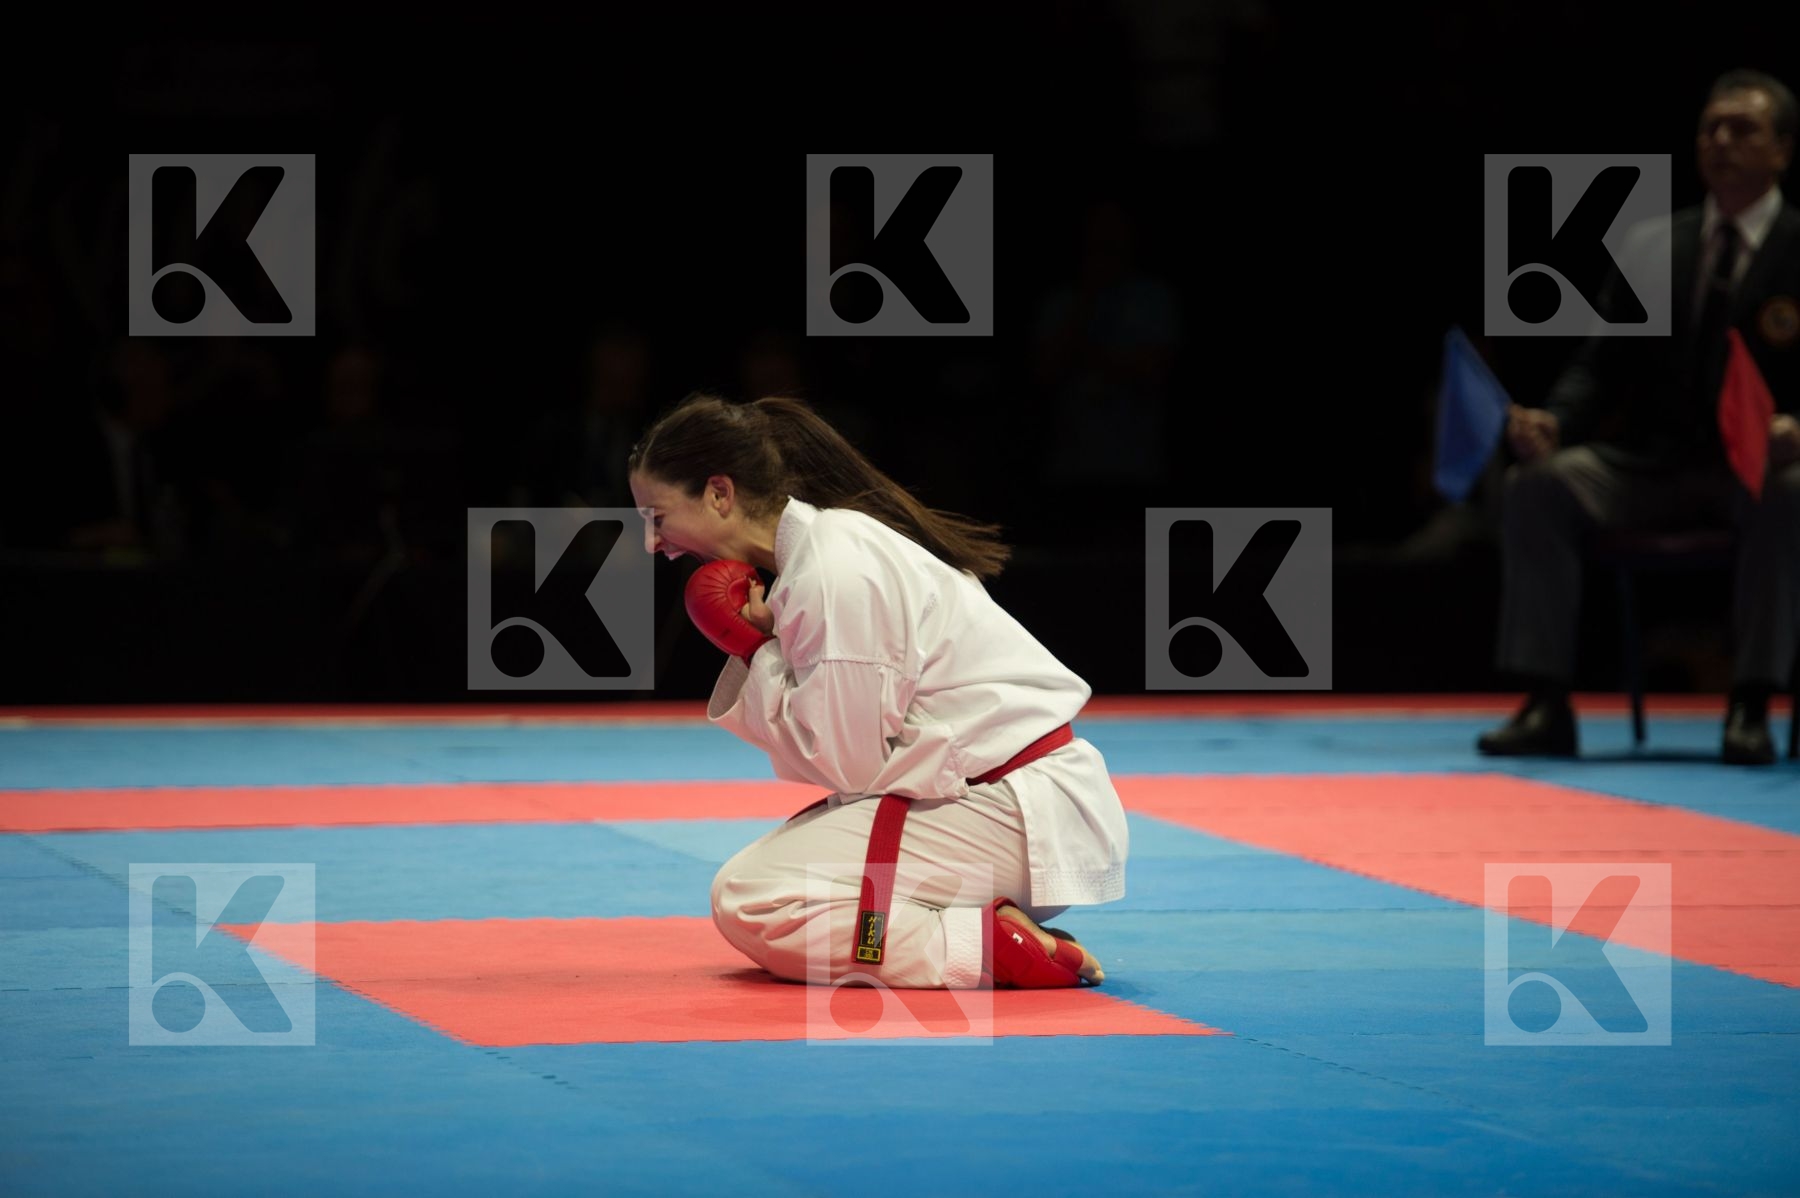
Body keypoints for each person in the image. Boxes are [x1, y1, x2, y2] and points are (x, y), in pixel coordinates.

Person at [627, 393, 1127, 988]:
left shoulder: (834, 568)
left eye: (657, 518)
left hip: (1011, 811)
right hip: (992, 803)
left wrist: (756, 654)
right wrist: (765, 651)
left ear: (719, 493)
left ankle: (982, 946)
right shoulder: (822, 556)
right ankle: (989, 929)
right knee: (760, 880)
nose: (654, 544)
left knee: (752, 896)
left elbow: (851, 764)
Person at [1479, 69, 1800, 765]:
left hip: (1756, 470)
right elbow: (1599, 365)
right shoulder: (1657, 244)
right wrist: (1556, 421)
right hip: (1653, 466)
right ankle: (1546, 701)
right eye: (1709, 128)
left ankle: (1750, 704)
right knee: (1542, 485)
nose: (1719, 142)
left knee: (1791, 491)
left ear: (1782, 150)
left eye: (1741, 129)